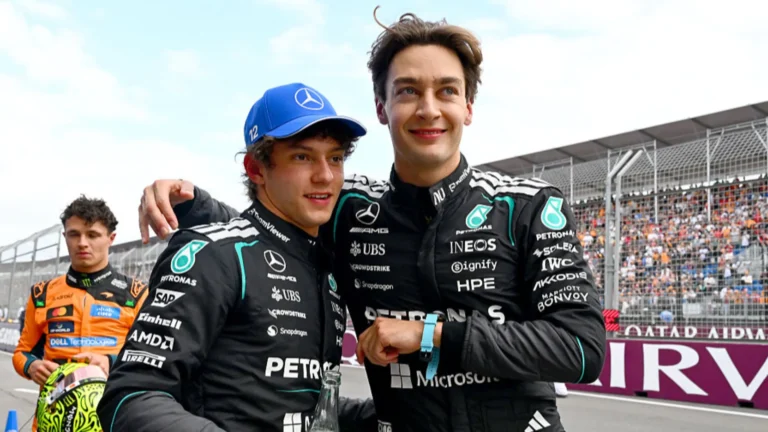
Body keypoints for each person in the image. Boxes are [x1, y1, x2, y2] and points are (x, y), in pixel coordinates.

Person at [136, 10, 607, 431]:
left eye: (447, 90)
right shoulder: (349, 208)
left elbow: (583, 348)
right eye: (408, 91)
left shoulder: (526, 206)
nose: (428, 108)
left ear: (468, 107)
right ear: (382, 108)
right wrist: (193, 204)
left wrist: (430, 334)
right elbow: (274, 229)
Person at [96, 82, 377, 432]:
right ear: (256, 169)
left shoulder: (325, 266)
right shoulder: (214, 254)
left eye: (335, 158)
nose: (325, 175)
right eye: (302, 157)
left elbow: (300, 408)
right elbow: (130, 396)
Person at [13, 196, 150, 432]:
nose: (82, 243)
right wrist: (31, 367)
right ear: (65, 237)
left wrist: (109, 362)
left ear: (110, 239)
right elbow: (22, 353)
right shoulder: (42, 294)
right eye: (74, 234)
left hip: (113, 418)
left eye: (92, 235)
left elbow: (149, 357)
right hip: (52, 421)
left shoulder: (136, 294)